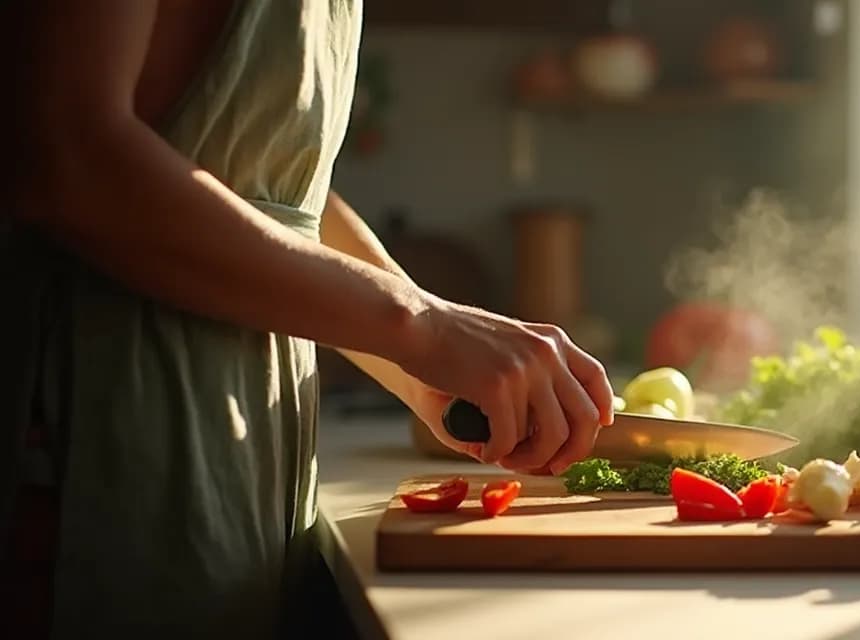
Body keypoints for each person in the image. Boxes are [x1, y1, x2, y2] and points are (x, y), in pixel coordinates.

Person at [0, 1, 615, 637]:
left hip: (247, 462)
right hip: (95, 439)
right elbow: (67, 155)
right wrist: (420, 324)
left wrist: (421, 370)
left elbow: (280, 192)